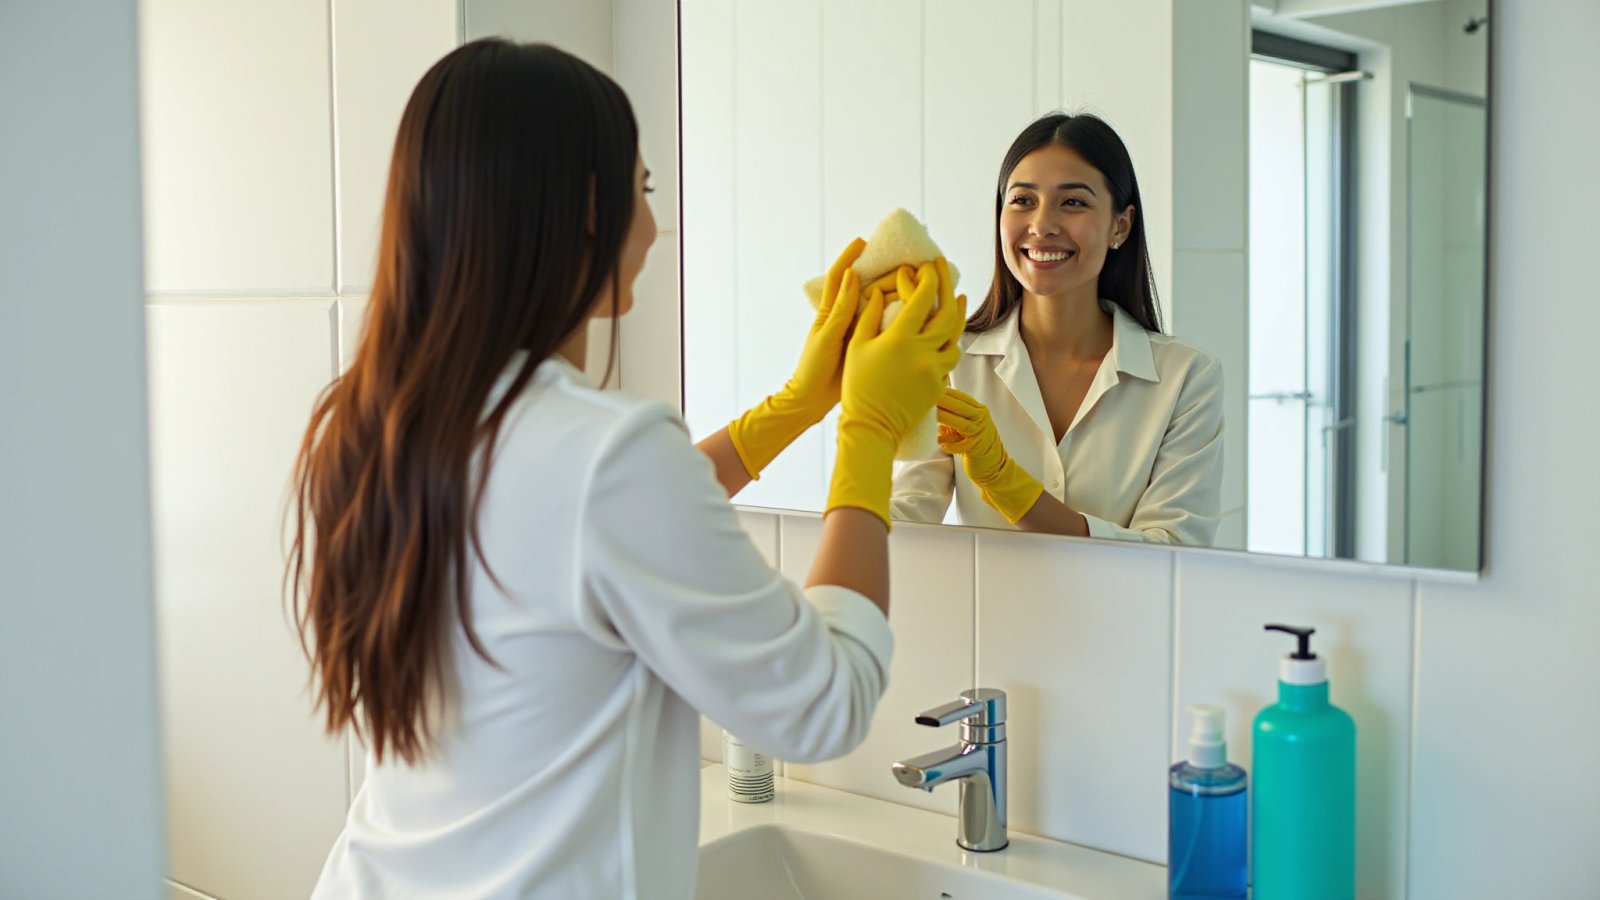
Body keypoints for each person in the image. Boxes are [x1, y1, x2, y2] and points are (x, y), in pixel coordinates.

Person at [287, 40, 964, 899]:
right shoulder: (604, 453)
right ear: (587, 210)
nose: (652, 225)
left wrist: (794, 405)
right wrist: (867, 433)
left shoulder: (375, 423)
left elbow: (578, 537)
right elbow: (823, 703)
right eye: (643, 192)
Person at [892, 113, 1223, 545]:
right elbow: (901, 521)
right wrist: (861, 419)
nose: (1042, 225)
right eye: (1022, 200)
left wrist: (1008, 485)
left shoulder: (1186, 378)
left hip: (1124, 616)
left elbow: (1174, 553)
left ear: (1119, 226)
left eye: (1073, 202)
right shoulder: (947, 362)